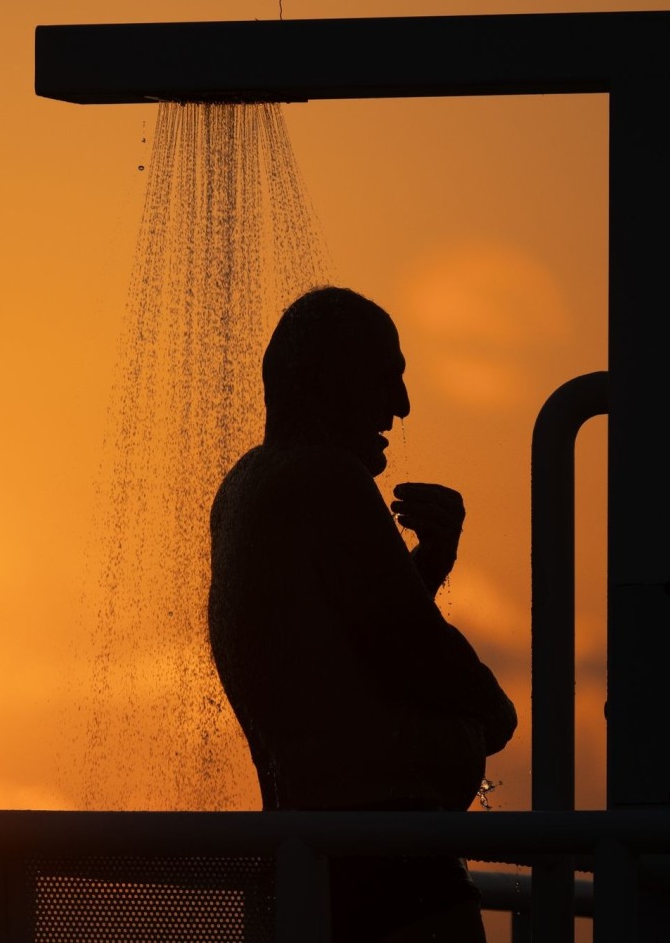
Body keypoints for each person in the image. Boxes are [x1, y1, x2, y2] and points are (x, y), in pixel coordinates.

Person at [208, 286, 517, 941]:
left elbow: (346, 646)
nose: (401, 408)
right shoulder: (326, 479)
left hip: (306, 860)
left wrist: (430, 563)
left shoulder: (248, 484)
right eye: (387, 380)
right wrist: (493, 712)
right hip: (384, 869)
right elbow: (414, 650)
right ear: (328, 383)